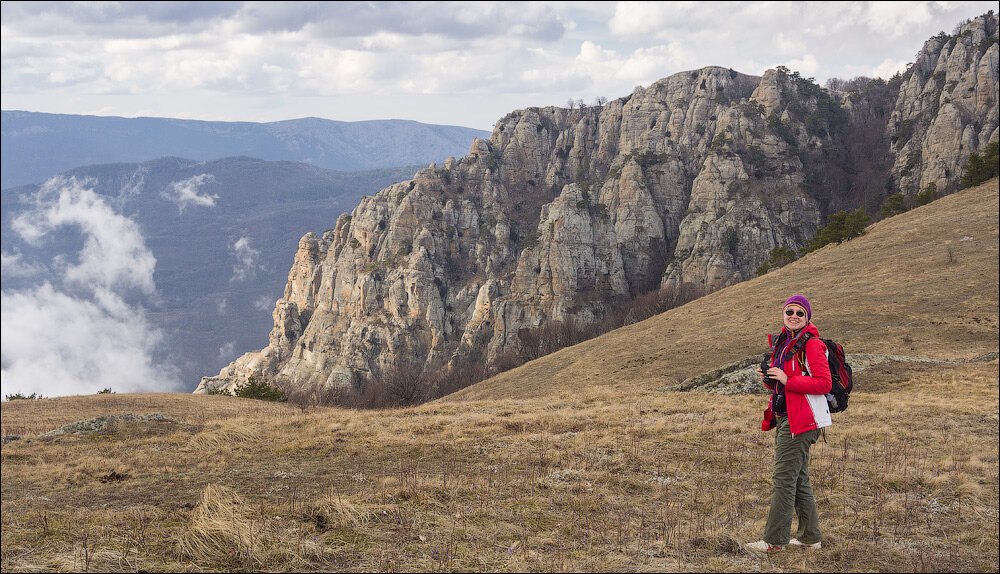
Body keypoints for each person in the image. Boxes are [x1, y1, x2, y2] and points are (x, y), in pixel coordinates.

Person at [745, 294, 832, 553]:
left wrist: (787, 378)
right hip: (785, 417)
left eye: (799, 313)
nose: (793, 316)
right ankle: (810, 538)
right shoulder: (784, 342)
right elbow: (780, 385)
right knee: (799, 478)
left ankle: (774, 541)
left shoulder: (813, 345)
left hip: (802, 421)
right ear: (783, 314)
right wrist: (769, 378)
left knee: (783, 479)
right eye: (789, 312)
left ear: (807, 318)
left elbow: (823, 383)